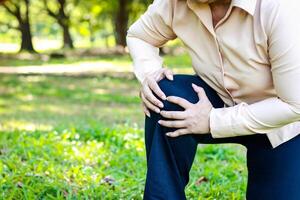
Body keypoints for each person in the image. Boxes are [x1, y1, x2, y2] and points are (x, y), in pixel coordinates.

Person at [126, 0, 300, 199]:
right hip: (216, 98)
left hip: (283, 126)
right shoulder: (175, 2)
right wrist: (150, 73)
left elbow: (295, 105)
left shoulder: (280, 7)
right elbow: (139, 35)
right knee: (164, 93)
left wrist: (212, 120)